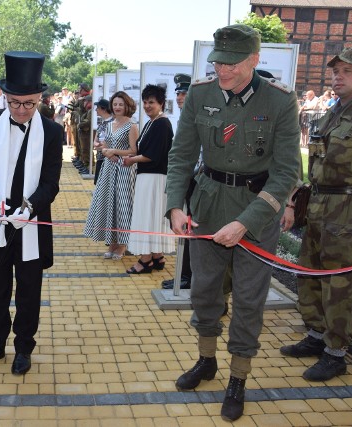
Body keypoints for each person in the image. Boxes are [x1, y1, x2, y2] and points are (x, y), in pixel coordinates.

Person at [165, 24, 300, 422]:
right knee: (204, 290)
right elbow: (181, 155)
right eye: (217, 62)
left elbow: (287, 171)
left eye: (231, 64)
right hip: (208, 203)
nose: (222, 70)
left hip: (257, 210)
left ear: (255, 60)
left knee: (248, 297)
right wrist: (175, 205)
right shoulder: (202, 95)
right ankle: (207, 360)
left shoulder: (280, 102)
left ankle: (238, 377)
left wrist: (245, 223)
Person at [280, 47, 352, 382]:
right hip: (320, 207)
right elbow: (316, 166)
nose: (338, 77)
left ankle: (336, 353)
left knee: (341, 283)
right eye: (335, 72)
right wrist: (295, 202)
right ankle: (317, 335)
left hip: (350, 210)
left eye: (347, 72)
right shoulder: (334, 112)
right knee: (311, 274)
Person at [0, 51, 63, 375]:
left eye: (29, 104)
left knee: (29, 291)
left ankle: (24, 347)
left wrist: (31, 208)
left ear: (39, 99)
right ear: (5, 97)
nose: (21, 110)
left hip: (30, 224)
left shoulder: (51, 132)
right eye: (15, 103)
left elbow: (51, 183)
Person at [122, 84, 174, 274]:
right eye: (144, 102)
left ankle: (145, 260)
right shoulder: (152, 122)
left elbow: (153, 155)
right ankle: (156, 255)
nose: (147, 105)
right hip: (149, 177)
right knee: (152, 216)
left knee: (146, 216)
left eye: (151, 102)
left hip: (154, 178)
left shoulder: (161, 124)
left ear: (161, 103)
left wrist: (131, 160)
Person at [83, 91, 138, 260]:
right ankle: (112, 242)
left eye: (121, 104)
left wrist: (114, 151)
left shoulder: (132, 126)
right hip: (108, 168)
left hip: (124, 169)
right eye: (115, 104)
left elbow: (134, 151)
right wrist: (105, 151)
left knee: (122, 206)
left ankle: (122, 245)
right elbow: (104, 145)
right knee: (109, 205)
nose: (118, 107)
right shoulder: (109, 124)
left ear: (127, 105)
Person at [162, 73, 193, 290]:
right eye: (178, 93)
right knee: (186, 231)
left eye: (184, 93)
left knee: (191, 232)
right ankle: (185, 274)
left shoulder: (195, 116)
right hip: (188, 180)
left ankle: (188, 276)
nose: (180, 97)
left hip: (197, 180)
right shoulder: (184, 116)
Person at [92, 98, 112, 184]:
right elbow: (95, 139)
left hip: (108, 159)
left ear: (104, 109)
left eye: (98, 108)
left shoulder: (113, 123)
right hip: (100, 157)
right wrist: (97, 144)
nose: (96, 110)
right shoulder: (102, 123)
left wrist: (100, 145)